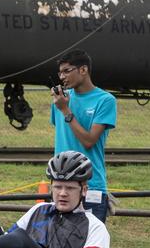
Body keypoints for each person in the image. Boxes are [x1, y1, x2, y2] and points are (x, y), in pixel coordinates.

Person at [50, 49, 116, 221]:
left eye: (66, 71)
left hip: (91, 186)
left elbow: (89, 141)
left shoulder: (105, 100)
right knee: (57, 244)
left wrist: (65, 110)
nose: (62, 77)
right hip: (61, 184)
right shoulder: (60, 100)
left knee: (88, 243)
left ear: (83, 70)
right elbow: (63, 134)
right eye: (60, 72)